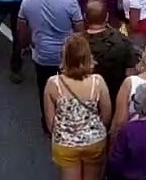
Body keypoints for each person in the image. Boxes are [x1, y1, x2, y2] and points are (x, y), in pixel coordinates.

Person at [20, 0, 85, 131]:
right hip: (66, 56)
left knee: (45, 89)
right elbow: (79, 28)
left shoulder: (28, 0)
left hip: (42, 55)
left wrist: (25, 44)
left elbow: (22, 28)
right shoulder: (69, 0)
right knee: (69, 89)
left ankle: (48, 123)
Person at [43, 34, 112, 180]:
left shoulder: (53, 84)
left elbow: (50, 122)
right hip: (94, 141)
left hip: (65, 143)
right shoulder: (98, 82)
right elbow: (106, 114)